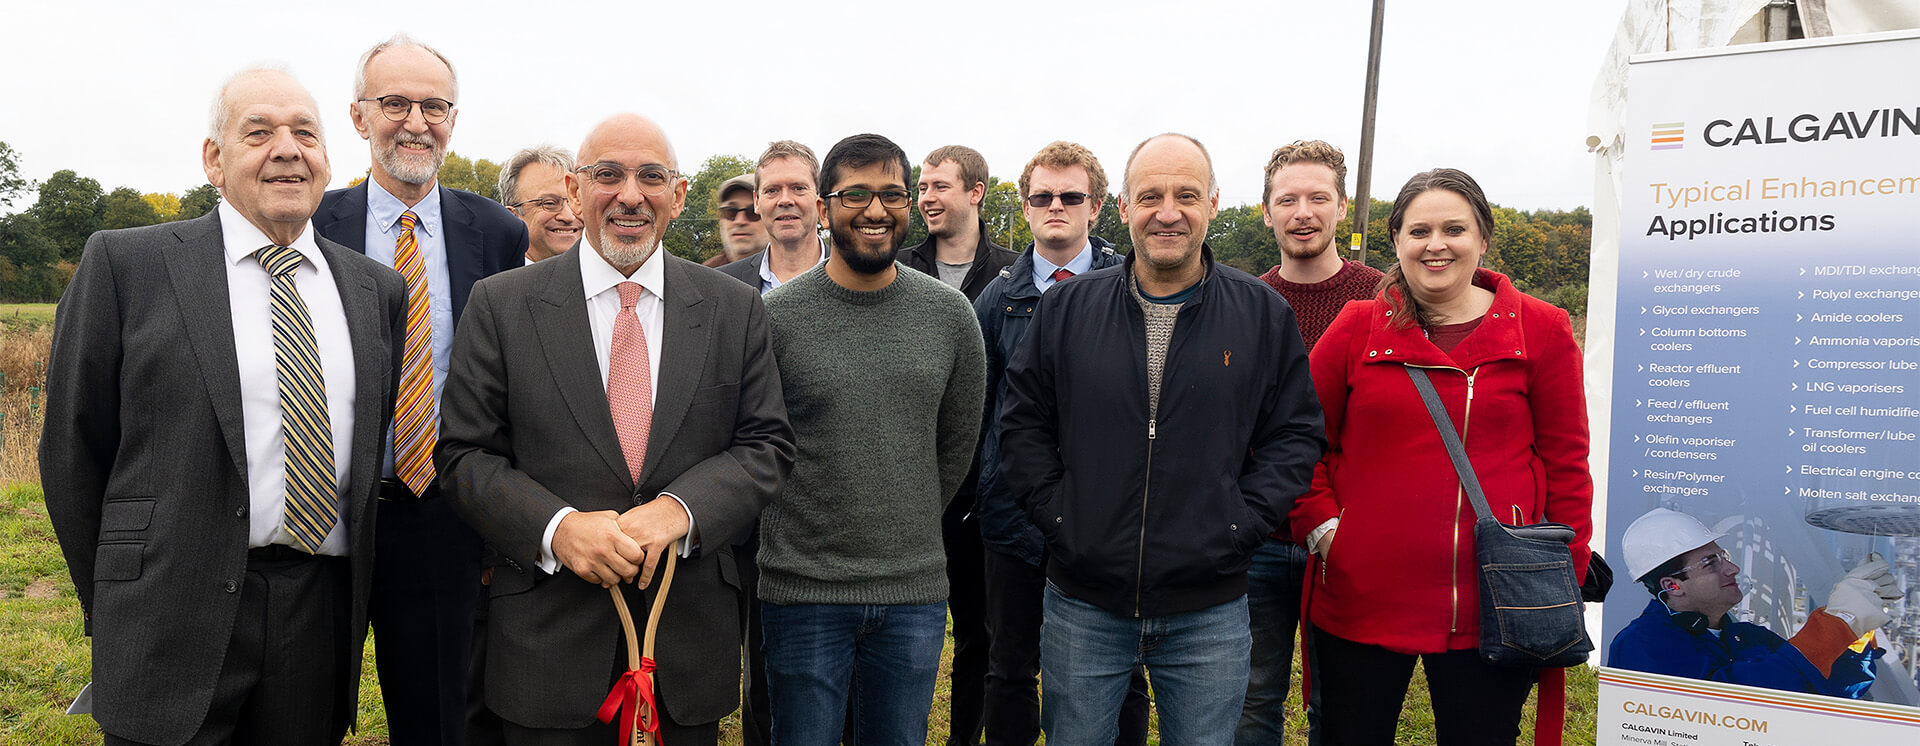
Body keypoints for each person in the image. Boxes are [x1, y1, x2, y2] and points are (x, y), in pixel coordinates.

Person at [40, 67, 406, 746]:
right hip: (164, 610)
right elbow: (71, 448)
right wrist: (118, 598)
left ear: (328, 159)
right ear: (214, 158)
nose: (287, 149)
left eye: (305, 133)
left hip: (315, 614)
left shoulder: (375, 290)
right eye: (258, 132)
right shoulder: (127, 264)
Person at [438, 112, 795, 745]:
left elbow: (765, 445)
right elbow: (465, 457)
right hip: (547, 643)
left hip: (683, 646)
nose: (630, 194)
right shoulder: (501, 305)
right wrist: (559, 529)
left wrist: (681, 510)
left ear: (678, 196)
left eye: (651, 176)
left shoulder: (732, 308)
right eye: (608, 174)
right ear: (575, 190)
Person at [999, 133, 1325, 746]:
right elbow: (1022, 425)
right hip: (1084, 601)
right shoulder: (1066, 309)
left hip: (1209, 606)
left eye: (1186, 195)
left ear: (1213, 204)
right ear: (1122, 207)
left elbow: (1293, 435)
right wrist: (1062, 517)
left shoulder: (1260, 314)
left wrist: (1241, 523)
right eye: (1150, 195)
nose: (1168, 212)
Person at [1289, 168, 1593, 746]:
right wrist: (1325, 527)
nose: (1436, 244)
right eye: (1419, 230)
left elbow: (1567, 465)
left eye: (1454, 228)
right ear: (1396, 241)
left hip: (1497, 599)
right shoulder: (1357, 326)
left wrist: (1563, 575)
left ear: (1482, 238)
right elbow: (1298, 439)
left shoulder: (1543, 329)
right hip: (1362, 594)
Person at [313, 34, 529, 746]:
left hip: (441, 511)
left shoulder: (498, 232)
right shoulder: (314, 223)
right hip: (329, 508)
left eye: (433, 105)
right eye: (395, 103)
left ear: (454, 119)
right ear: (358, 116)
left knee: (436, 716)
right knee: (301, 703)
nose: (415, 121)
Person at [758, 133, 986, 745]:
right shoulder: (776, 319)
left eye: (891, 194)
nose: (875, 210)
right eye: (855, 194)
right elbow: (758, 444)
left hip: (911, 592)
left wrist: (902, 516)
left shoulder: (949, 317)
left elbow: (958, 443)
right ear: (826, 207)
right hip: (802, 590)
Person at [972, 140, 1149, 746]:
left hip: (1111, 517)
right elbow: (981, 410)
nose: (1056, 207)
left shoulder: (1135, 289)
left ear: (1096, 206)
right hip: (1014, 518)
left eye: (1070, 196)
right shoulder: (995, 300)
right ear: (1024, 207)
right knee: (1011, 666)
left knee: (1120, 669)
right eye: (1042, 197)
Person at [1239, 139, 1382, 746]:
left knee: (1344, 703)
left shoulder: (1383, 298)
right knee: (1251, 698)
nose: (1303, 211)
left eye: (1318, 197)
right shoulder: (1241, 300)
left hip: (1352, 534)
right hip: (1260, 536)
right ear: (1266, 210)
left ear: (1342, 207)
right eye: (1287, 199)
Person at [894, 144, 1017, 744]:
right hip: (907, 477)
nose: (927, 198)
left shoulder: (1012, 274)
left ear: (976, 193)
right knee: (898, 631)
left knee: (979, 633)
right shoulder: (894, 263)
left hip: (981, 487)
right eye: (922, 187)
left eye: (940, 186)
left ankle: (964, 735)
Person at [1608, 508, 1894, 698]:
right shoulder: (1641, 644)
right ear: (1672, 586)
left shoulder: (1750, 637)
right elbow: (1726, 702)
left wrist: (1853, 635)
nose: (1732, 569)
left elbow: (1831, 690)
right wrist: (1836, 623)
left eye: (1724, 556)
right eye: (1711, 563)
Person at [720, 141, 828, 291]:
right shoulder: (724, 285)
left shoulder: (859, 276)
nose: (785, 200)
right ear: (756, 201)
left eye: (798, 188)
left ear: (819, 197)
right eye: (772, 191)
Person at [500, 145, 582, 263]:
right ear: (512, 217)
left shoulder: (610, 278)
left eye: (576, 200)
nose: (569, 216)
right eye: (549, 203)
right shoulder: (492, 280)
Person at [705, 173, 768, 268]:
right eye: (731, 212)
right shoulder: (702, 277)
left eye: (752, 212)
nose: (740, 221)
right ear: (720, 220)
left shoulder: (794, 276)